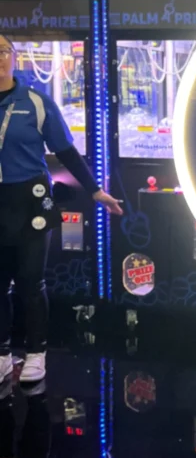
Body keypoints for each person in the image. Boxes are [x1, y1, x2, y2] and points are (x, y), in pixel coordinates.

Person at [0, 34, 123, 382]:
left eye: (3, 51)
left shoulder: (36, 102)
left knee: (30, 281)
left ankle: (37, 352)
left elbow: (66, 150)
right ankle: (3, 354)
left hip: (31, 203)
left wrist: (96, 191)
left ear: (15, 57)